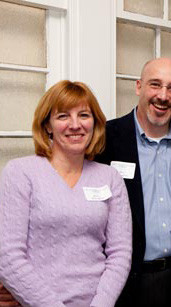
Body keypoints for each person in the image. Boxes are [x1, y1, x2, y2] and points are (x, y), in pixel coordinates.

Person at [95, 57, 171, 307]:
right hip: (122, 286)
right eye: (155, 85)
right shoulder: (104, 141)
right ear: (139, 87)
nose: (163, 96)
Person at [0, 80, 132, 307]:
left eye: (83, 115)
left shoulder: (110, 178)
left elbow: (120, 253)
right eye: (62, 116)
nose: (75, 125)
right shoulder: (20, 172)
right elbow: (8, 256)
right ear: (47, 125)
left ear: (95, 123)